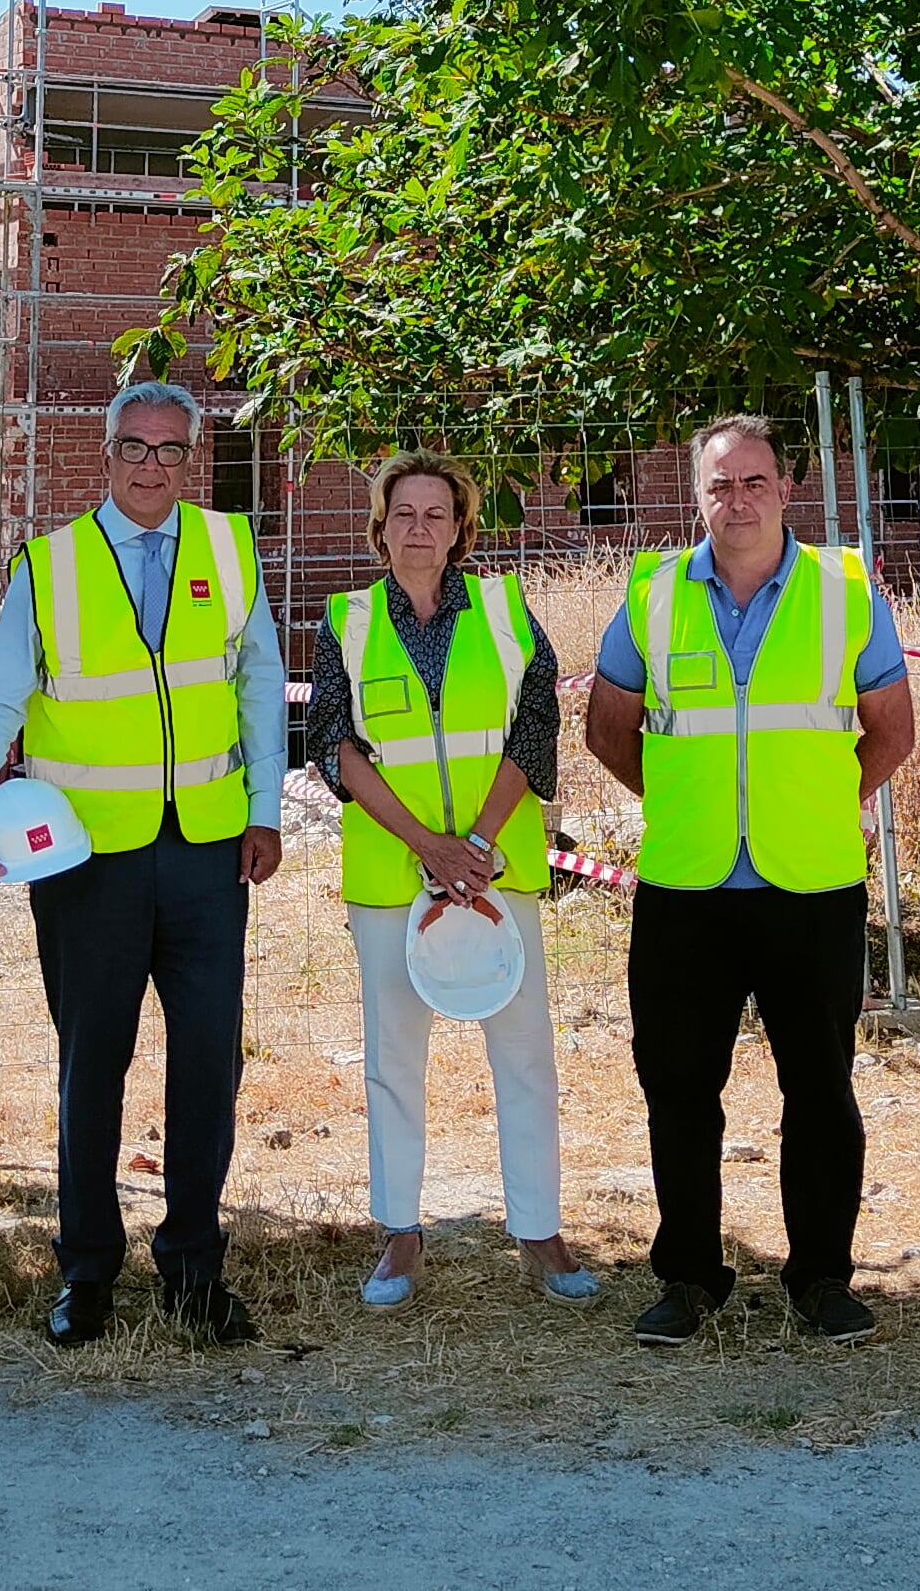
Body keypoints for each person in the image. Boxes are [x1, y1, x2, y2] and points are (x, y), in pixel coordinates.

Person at [0, 378, 283, 1347]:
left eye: (170, 450)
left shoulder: (230, 547)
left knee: (208, 1065)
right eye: (133, 447)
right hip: (88, 864)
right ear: (105, 454)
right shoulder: (47, 568)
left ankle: (192, 1270)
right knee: (93, 1064)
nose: (150, 466)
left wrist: (264, 809)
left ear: (192, 461)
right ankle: (87, 1271)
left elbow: (259, 684)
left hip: (210, 854)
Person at [580, 412, 917, 1348]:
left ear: (786, 488)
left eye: (755, 481)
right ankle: (689, 1278)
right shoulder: (650, 593)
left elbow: (893, 728)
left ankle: (820, 1281)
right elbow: (608, 728)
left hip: (810, 885)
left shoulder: (846, 591)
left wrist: (809, 801)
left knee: (819, 1089)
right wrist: (694, 803)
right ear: (697, 497)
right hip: (687, 887)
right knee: (679, 1091)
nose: (739, 499)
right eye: (720, 485)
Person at [297, 446, 600, 1309]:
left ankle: (539, 1232)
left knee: (525, 1055)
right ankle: (400, 1235)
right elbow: (332, 743)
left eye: (435, 515)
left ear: (462, 528)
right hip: (394, 875)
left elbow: (535, 729)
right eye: (403, 515)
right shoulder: (347, 621)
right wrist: (428, 845)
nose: (418, 529)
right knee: (394, 1058)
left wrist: (471, 843)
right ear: (380, 529)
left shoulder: (505, 608)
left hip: (495, 870)